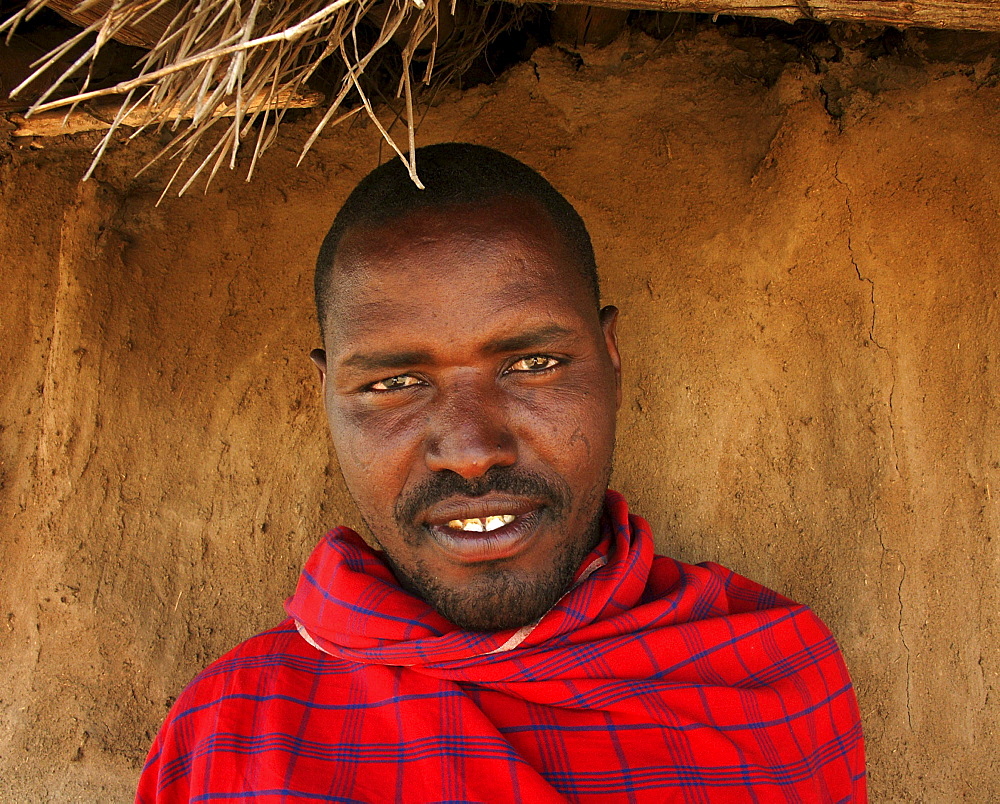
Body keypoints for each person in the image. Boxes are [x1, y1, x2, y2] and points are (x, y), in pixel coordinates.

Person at [136, 143, 866, 802]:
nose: (472, 449)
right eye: (394, 383)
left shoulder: (764, 682)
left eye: (532, 365)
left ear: (612, 361)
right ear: (324, 398)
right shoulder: (233, 733)